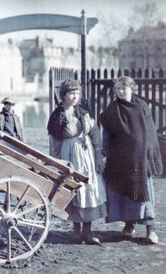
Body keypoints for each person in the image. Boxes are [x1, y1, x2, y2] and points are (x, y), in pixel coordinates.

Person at [100, 76, 162, 244]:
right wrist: (106, 153)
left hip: (141, 159)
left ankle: (151, 228)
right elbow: (106, 135)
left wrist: (149, 155)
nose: (121, 91)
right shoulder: (112, 110)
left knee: (145, 194)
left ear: (132, 89)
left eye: (124, 88)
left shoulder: (141, 106)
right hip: (121, 160)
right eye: (118, 89)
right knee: (126, 193)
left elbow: (150, 132)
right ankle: (129, 225)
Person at [47, 79, 107, 245]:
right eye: (71, 93)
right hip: (69, 154)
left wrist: (98, 154)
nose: (74, 97)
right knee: (73, 188)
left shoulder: (83, 111)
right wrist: (58, 163)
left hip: (87, 153)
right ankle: (76, 229)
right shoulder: (58, 116)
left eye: (76, 93)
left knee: (89, 188)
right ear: (64, 95)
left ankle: (88, 230)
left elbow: (94, 133)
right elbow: (55, 143)